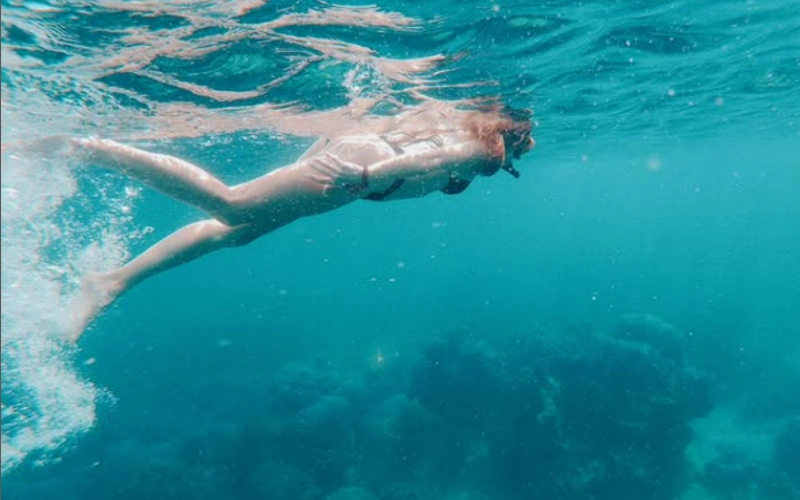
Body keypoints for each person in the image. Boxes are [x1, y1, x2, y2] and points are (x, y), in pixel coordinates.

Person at [24, 106, 535, 341]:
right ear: (507, 136)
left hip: (360, 169)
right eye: (519, 149)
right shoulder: (477, 149)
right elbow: (420, 164)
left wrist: (364, 171)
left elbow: (417, 155)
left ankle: (111, 281)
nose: (514, 160)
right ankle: (85, 148)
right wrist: (365, 173)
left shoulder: (461, 134)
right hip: (360, 171)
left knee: (241, 231)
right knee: (231, 205)